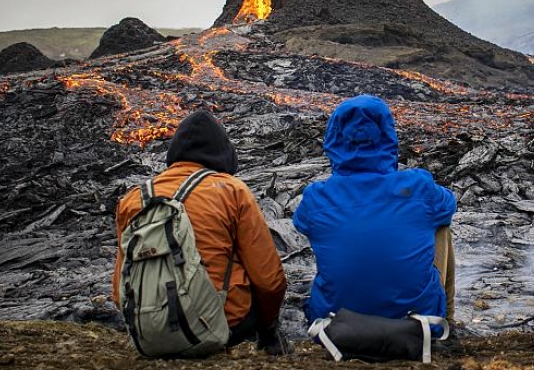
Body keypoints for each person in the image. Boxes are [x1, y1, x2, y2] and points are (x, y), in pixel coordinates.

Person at [112, 109, 293, 355]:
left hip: (148, 330)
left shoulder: (134, 199)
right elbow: (269, 281)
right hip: (223, 326)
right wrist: (269, 325)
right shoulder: (231, 190)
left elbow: (118, 288)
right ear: (224, 153)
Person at [293, 95, 459, 340]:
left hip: (333, 326)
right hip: (416, 325)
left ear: (335, 139)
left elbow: (302, 223)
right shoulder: (418, 186)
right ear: (387, 135)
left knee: (333, 236)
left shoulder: (316, 197)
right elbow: (449, 204)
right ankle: (448, 322)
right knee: (440, 224)